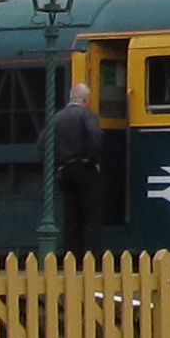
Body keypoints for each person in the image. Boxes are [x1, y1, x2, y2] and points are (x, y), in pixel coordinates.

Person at [49, 77, 101, 256]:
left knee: (71, 215)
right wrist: (92, 160)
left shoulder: (57, 117)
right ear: (86, 100)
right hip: (84, 168)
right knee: (91, 214)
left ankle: (70, 254)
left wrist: (56, 166)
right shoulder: (88, 115)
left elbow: (43, 144)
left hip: (65, 170)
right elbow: (95, 136)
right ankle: (90, 254)